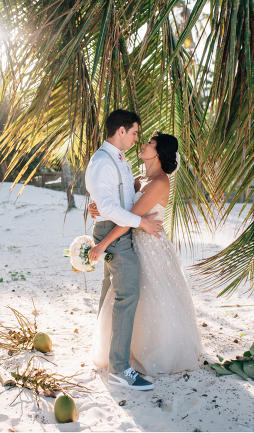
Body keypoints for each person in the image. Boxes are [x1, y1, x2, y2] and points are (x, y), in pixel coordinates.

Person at [88, 130, 203, 377]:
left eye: (150, 143)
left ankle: (154, 354)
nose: (144, 144)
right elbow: (119, 207)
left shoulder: (160, 182)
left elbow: (129, 218)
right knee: (129, 295)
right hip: (132, 242)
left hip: (151, 247)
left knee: (155, 297)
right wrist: (97, 207)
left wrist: (102, 244)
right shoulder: (139, 179)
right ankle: (125, 351)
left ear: (159, 153)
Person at [83, 109, 164, 391]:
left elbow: (118, 197)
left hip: (116, 229)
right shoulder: (102, 161)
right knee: (127, 294)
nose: (136, 138)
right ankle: (119, 368)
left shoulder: (118, 159)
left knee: (111, 292)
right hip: (114, 232)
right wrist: (141, 222)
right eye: (134, 133)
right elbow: (107, 206)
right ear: (121, 131)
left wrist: (99, 206)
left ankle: (105, 352)